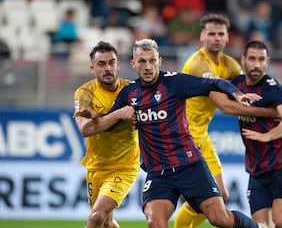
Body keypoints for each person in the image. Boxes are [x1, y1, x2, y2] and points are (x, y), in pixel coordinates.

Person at [75, 38, 268, 228]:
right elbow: (111, 121)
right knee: (154, 221)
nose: (148, 66)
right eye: (142, 61)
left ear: (159, 61)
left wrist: (237, 94)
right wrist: (96, 116)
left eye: (152, 60)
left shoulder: (175, 83)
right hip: (159, 173)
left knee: (220, 219)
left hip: (190, 166)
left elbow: (213, 84)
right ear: (134, 64)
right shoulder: (129, 93)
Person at [174, 13, 277, 228]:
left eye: (221, 34)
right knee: (208, 199)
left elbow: (246, 88)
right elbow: (226, 105)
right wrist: (270, 112)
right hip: (184, 136)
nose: (216, 38)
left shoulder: (229, 65)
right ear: (202, 36)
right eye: (211, 33)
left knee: (221, 194)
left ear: (227, 37)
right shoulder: (197, 65)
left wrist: (274, 96)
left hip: (200, 135)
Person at [230, 40, 282, 228]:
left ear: (267, 62)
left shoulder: (272, 87)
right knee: (261, 226)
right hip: (257, 166)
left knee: (281, 221)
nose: (256, 64)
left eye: (261, 59)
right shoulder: (237, 84)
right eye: (252, 59)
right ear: (243, 60)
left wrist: (268, 136)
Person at [73, 41, 140, 228]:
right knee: (106, 223)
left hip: (124, 167)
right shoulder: (85, 93)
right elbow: (86, 129)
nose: (107, 68)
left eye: (111, 62)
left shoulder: (131, 90)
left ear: (118, 65)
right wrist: (119, 114)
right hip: (96, 167)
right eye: (101, 64)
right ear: (92, 67)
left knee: (96, 217)